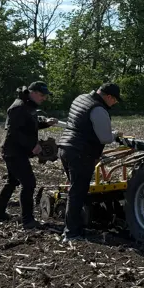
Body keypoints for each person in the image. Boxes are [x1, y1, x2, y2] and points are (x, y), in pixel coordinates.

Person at [57, 82, 122, 240]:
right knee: (77, 193)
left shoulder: (81, 98)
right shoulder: (98, 109)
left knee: (76, 191)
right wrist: (116, 134)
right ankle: (71, 233)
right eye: (115, 100)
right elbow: (105, 137)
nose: (115, 103)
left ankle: (77, 227)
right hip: (80, 153)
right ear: (108, 96)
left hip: (65, 148)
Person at [0, 81, 58, 227]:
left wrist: (46, 123)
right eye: (41, 95)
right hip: (14, 152)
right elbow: (14, 132)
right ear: (32, 92)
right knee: (29, 184)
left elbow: (28, 126)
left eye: (45, 96)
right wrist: (32, 145)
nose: (43, 98)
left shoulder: (28, 106)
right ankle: (27, 220)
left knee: (13, 182)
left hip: (15, 151)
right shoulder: (19, 107)